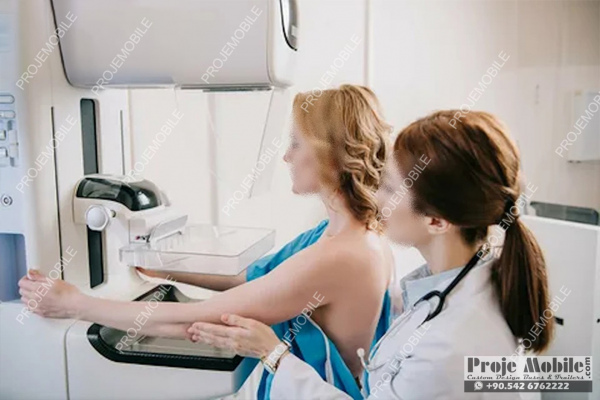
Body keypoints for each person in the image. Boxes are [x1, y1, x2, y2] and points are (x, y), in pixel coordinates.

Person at [18, 85, 395, 399]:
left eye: (296, 144)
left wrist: (76, 304)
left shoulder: (341, 255)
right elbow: (257, 278)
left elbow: (197, 318)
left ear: (327, 153)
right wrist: (164, 268)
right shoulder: (348, 233)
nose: (286, 156)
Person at [186, 110, 554, 399]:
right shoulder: (470, 280)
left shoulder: (447, 348)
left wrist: (274, 355)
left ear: (437, 221)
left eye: (390, 189)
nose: (376, 199)